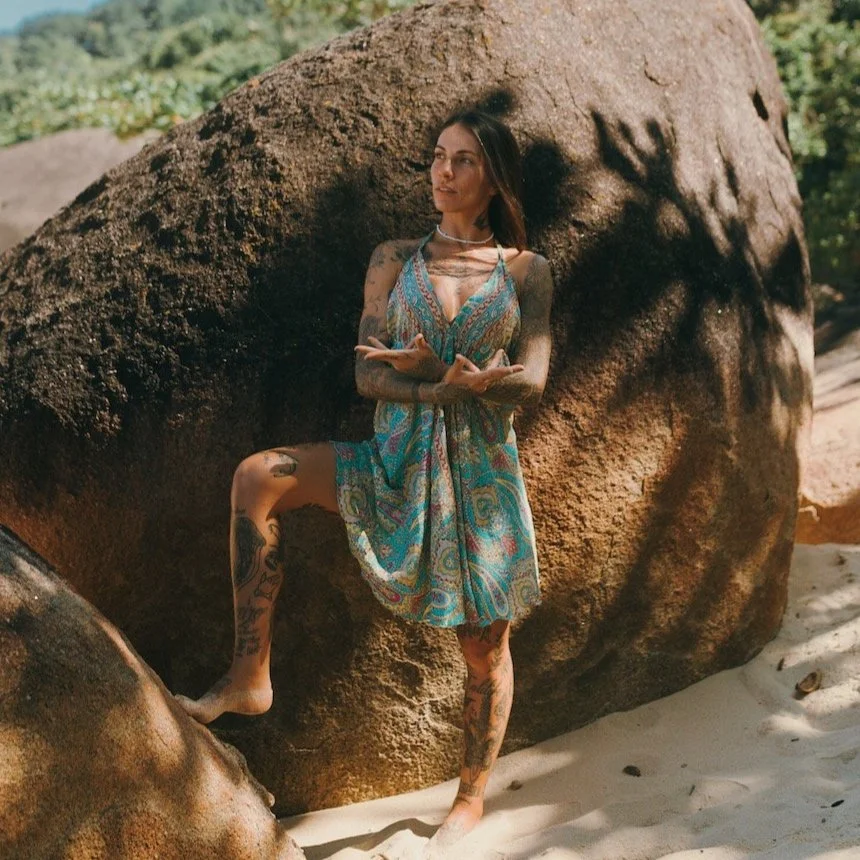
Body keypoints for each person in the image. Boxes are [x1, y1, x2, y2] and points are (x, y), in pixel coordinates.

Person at [176, 108, 553, 851]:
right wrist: (435, 387)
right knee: (259, 478)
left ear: (494, 178)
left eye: (463, 160)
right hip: (392, 460)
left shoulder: (527, 271)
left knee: (484, 651)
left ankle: (469, 800)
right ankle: (249, 675)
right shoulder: (393, 259)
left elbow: (533, 382)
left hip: (479, 483)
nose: (443, 171)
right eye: (438, 155)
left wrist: (459, 380)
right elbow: (366, 372)